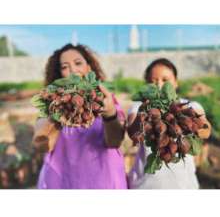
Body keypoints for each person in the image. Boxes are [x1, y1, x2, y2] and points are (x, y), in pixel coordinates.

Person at [34, 44, 127, 189]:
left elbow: (115, 142)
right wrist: (57, 111)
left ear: (89, 68)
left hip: (103, 180)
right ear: (59, 74)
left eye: (78, 63)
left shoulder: (106, 98)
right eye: (65, 67)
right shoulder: (53, 103)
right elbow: (42, 144)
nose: (73, 70)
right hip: (64, 180)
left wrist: (109, 114)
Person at [127, 58, 211, 189]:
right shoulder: (139, 107)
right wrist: (143, 113)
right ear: (147, 85)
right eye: (153, 81)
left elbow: (206, 130)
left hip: (184, 186)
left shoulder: (191, 106)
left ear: (176, 83)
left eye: (165, 80)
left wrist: (187, 121)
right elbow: (133, 133)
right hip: (145, 186)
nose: (159, 85)